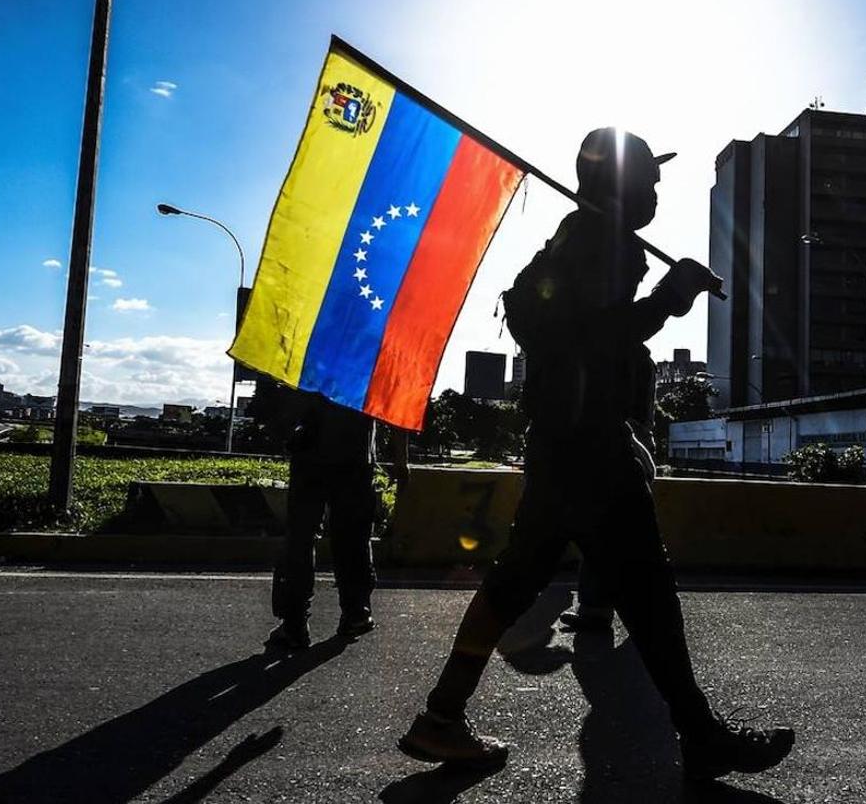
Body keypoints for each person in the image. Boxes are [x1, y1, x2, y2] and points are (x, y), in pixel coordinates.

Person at [397, 127, 795, 780]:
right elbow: (585, 339)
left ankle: (442, 716)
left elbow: (566, 331)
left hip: (563, 443)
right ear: (620, 182)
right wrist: (670, 299)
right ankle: (700, 735)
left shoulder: (585, 236)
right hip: (587, 450)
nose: (660, 191)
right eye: (651, 179)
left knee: (517, 583)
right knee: (647, 591)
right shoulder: (601, 242)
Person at [262, 382, 409, 649]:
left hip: (310, 456)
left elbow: (288, 396)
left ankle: (294, 624)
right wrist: (401, 459)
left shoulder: (316, 351)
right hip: (355, 460)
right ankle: (356, 612)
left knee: (301, 538)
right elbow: (396, 405)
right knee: (353, 538)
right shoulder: (372, 359)